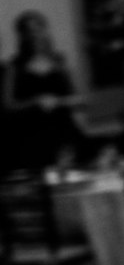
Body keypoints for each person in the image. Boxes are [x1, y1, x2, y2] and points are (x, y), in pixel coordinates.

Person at [3, 10, 86, 170]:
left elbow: (80, 99)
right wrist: (34, 102)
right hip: (31, 135)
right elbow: (8, 105)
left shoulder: (59, 62)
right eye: (28, 31)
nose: (34, 35)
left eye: (38, 29)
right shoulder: (14, 67)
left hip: (63, 131)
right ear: (22, 36)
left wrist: (58, 101)